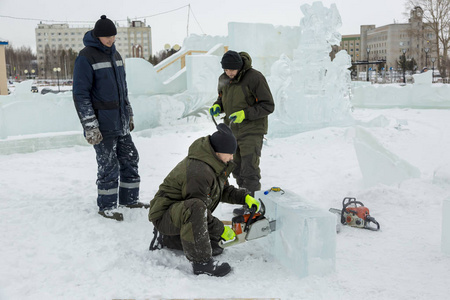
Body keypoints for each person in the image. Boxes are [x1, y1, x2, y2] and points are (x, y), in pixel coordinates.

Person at [148, 124, 261, 277]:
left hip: (180, 212)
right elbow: (197, 209)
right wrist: (221, 228)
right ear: (218, 151)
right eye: (230, 154)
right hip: (165, 215)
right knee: (198, 209)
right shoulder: (199, 171)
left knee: (215, 245)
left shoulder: (213, 164)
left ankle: (168, 239)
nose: (232, 158)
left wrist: (245, 197)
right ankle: (201, 264)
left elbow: (221, 190)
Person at [73, 15, 147, 221]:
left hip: (120, 120)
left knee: (130, 157)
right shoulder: (86, 57)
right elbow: (80, 94)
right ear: (97, 36)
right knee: (108, 164)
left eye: (113, 36)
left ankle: (129, 199)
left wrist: (128, 114)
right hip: (102, 123)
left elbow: (123, 90)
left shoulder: (116, 56)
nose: (111, 40)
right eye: (107, 36)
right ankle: (106, 205)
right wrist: (90, 126)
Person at [210, 50, 274, 198]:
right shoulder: (223, 78)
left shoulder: (255, 78)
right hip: (232, 131)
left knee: (249, 170)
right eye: (225, 69)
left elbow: (268, 105)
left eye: (231, 69)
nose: (229, 73)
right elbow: (222, 98)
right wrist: (218, 106)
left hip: (252, 130)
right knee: (236, 169)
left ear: (239, 66)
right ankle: (245, 199)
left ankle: (252, 206)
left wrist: (245, 114)